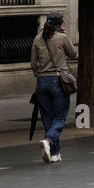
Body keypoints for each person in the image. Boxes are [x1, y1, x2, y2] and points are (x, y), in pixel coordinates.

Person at [30, 11, 77, 164]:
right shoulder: (62, 38)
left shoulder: (37, 38)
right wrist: (64, 35)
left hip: (42, 82)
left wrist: (39, 74)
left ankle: (55, 153)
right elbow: (73, 54)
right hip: (58, 81)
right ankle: (48, 140)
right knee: (60, 117)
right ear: (59, 24)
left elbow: (33, 64)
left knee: (47, 118)